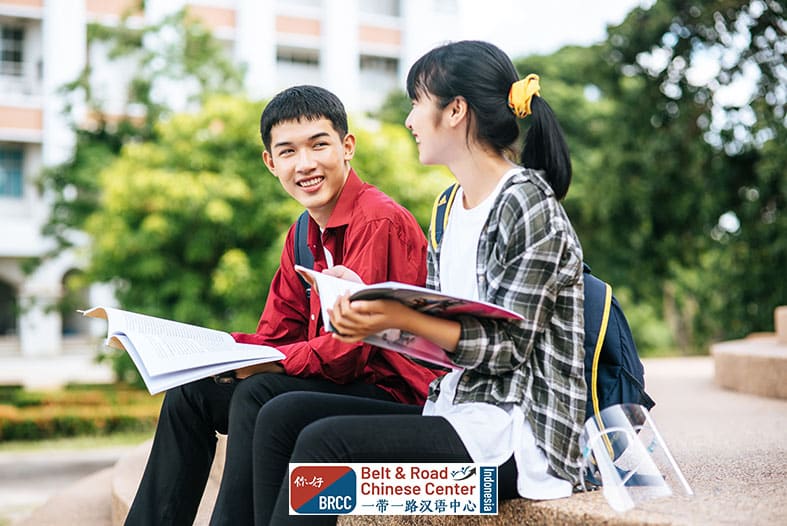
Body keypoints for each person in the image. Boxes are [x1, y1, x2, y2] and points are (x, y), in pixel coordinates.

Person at [248, 40, 587, 526]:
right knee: (282, 415)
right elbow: (435, 330)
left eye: (416, 103)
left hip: (519, 447)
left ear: (455, 111)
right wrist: (362, 296)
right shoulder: (450, 207)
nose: (409, 120)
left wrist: (400, 316)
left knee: (322, 448)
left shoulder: (526, 203)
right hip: (459, 415)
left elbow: (507, 350)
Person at [124, 85, 442, 526]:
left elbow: (351, 355)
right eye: (288, 151)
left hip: (394, 394)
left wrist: (263, 365)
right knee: (192, 391)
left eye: (319, 145)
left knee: (259, 392)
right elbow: (276, 336)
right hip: (339, 384)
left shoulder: (378, 219)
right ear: (270, 163)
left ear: (347, 147)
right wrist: (199, 352)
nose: (305, 164)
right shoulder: (301, 236)